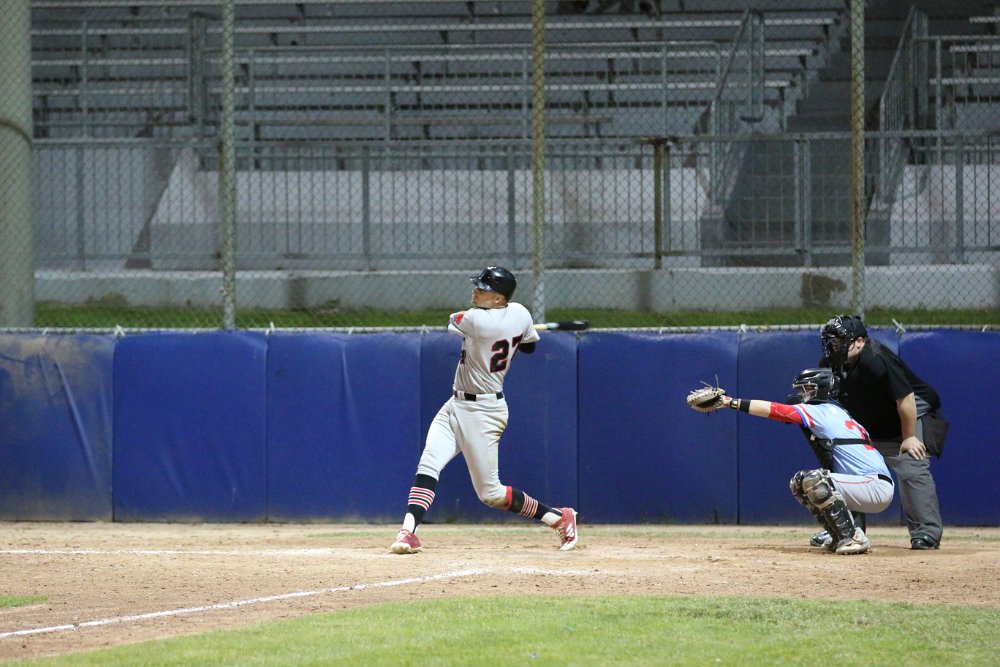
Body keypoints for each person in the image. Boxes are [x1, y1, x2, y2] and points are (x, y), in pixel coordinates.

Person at [389, 266, 578, 554]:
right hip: (456, 404)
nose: (476, 291)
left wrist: (497, 332)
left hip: (484, 413)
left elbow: (453, 320)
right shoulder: (520, 313)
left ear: (499, 298)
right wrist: (510, 331)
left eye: (484, 289)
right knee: (428, 464)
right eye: (477, 286)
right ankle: (408, 532)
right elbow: (528, 347)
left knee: (491, 494)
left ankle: (558, 517)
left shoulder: (474, 319)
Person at [715, 368, 894, 555]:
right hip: (866, 484)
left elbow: (775, 410)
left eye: (807, 389)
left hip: (874, 485)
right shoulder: (838, 412)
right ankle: (838, 534)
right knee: (800, 482)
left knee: (816, 481)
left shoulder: (822, 411)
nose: (802, 394)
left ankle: (852, 537)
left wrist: (730, 402)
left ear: (823, 389)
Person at [821, 314, 946, 550]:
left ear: (859, 342)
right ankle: (846, 528)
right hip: (871, 419)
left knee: (911, 465)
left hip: (909, 414)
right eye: (832, 341)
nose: (835, 346)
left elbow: (905, 398)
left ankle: (926, 532)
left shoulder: (876, 358)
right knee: (849, 468)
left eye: (841, 341)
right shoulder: (832, 363)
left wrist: (909, 437)